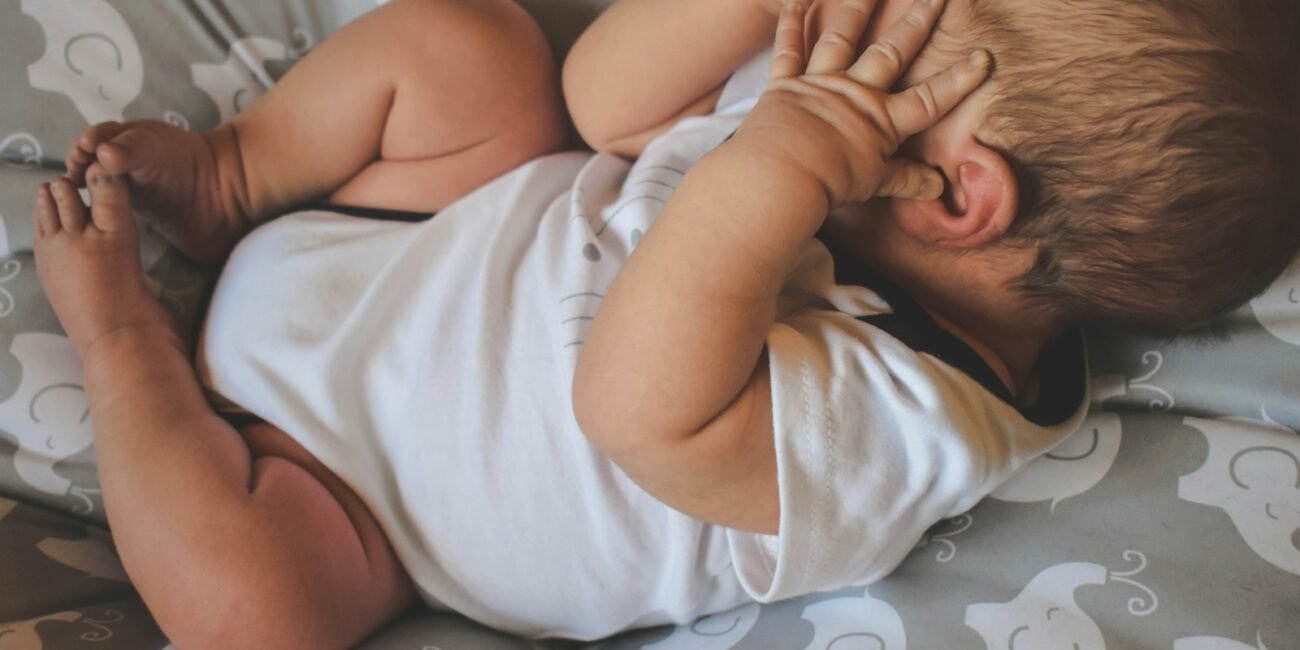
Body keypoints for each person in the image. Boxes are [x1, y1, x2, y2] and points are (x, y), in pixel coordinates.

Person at [31, 0, 1299, 647]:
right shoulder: (855, 123)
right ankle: (237, 175)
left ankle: (121, 343)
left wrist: (779, 168)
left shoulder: (907, 417)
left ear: (964, 196)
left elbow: (630, 405)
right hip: (409, 232)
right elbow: (601, 99)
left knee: (259, 617)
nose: (851, 39)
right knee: (483, 51)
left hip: (339, 489)